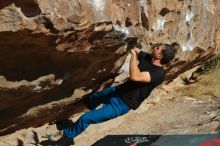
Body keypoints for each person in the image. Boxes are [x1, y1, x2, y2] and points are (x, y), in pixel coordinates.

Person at [48, 43, 177, 145]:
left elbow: (135, 77)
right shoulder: (148, 57)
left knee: (86, 118)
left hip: (122, 105)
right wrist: (131, 46)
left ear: (160, 56)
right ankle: (66, 118)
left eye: (158, 48)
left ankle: (65, 136)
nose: (155, 47)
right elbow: (137, 50)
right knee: (92, 98)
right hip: (117, 91)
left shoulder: (159, 74)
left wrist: (133, 56)